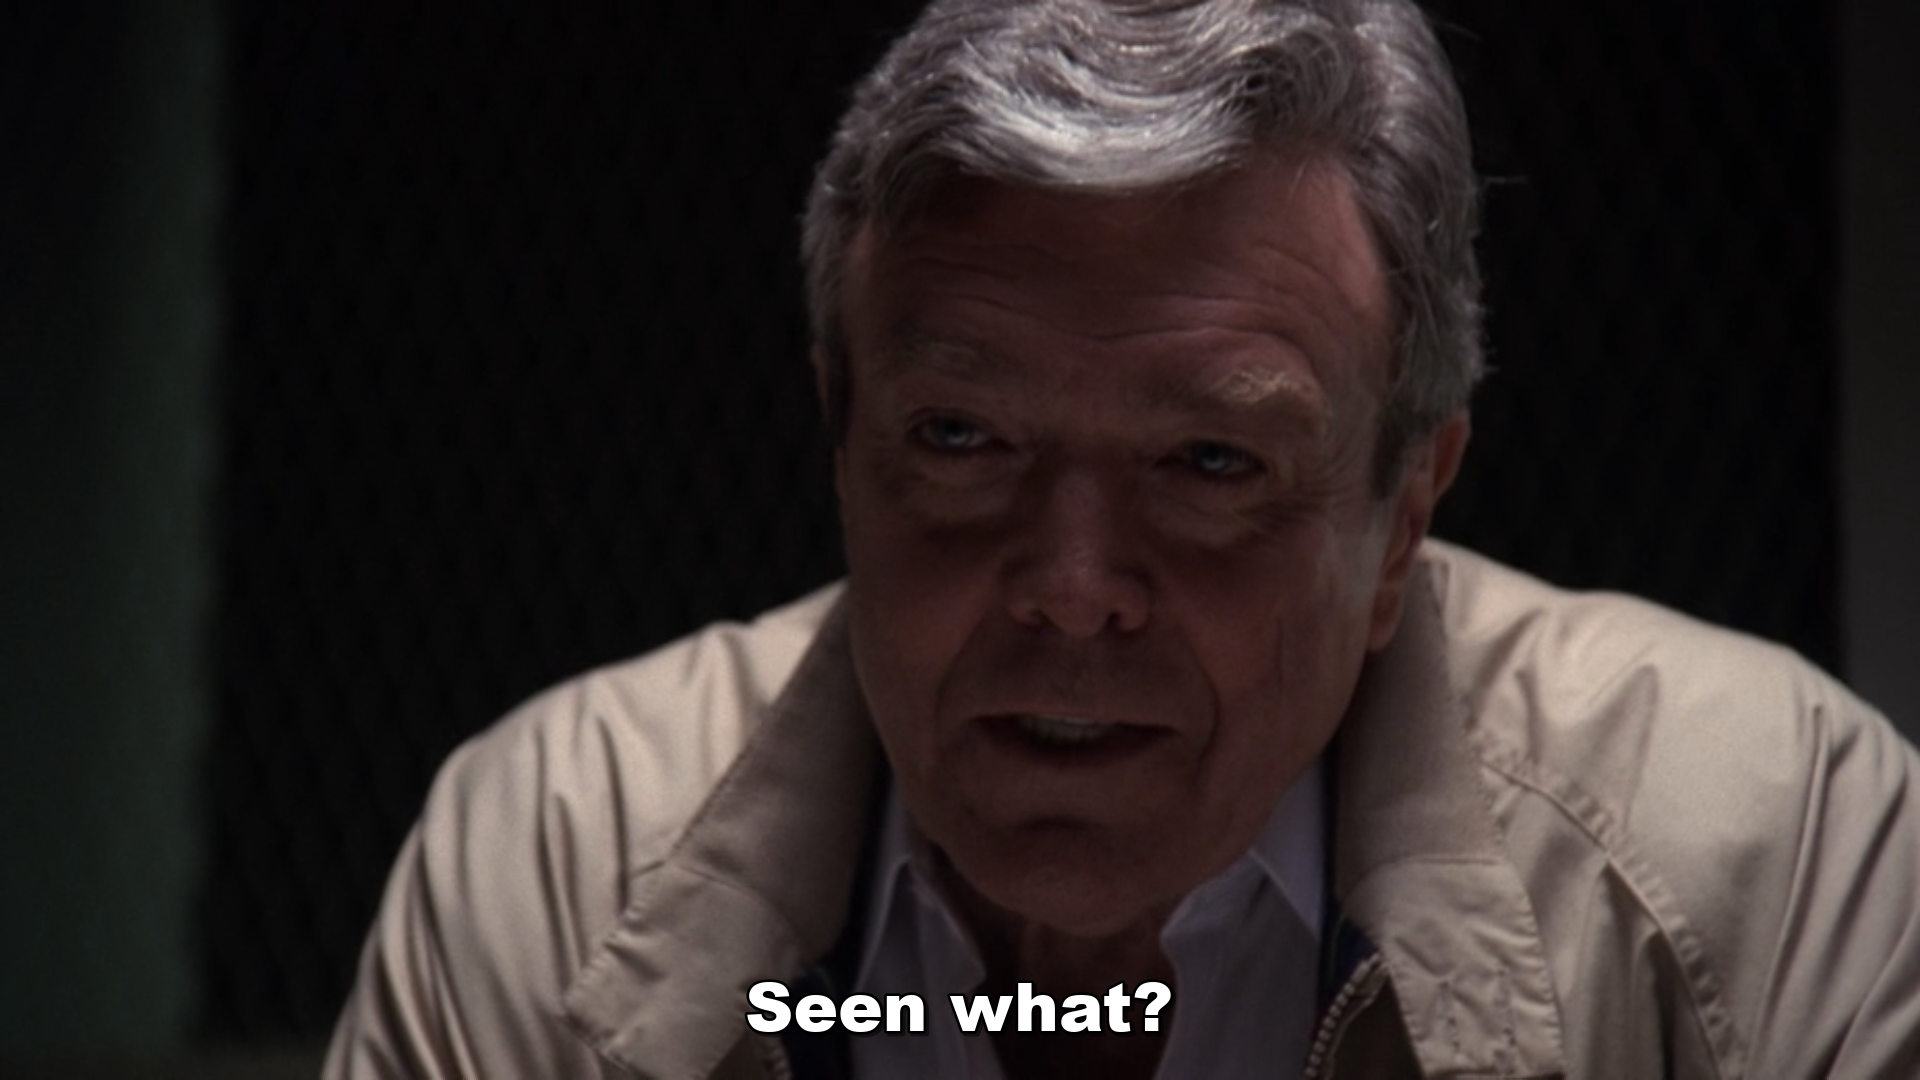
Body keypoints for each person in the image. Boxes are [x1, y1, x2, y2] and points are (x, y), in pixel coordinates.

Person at [324, 0, 1920, 1076]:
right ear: (841, 437)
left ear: (1402, 520)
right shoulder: (556, 858)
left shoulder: (1766, 851)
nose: (1073, 592)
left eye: (1210, 463)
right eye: (962, 440)